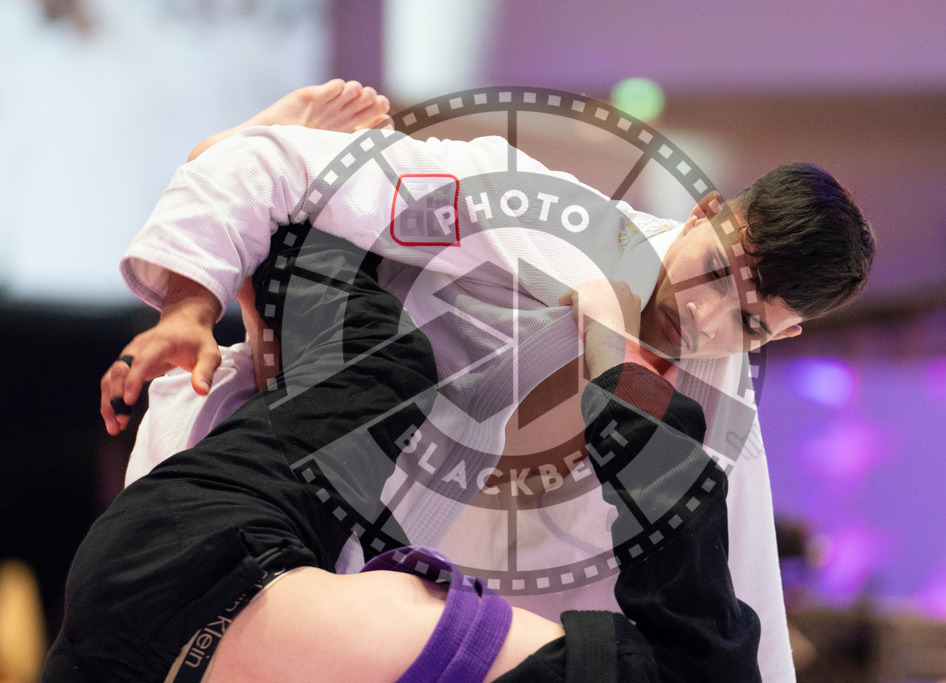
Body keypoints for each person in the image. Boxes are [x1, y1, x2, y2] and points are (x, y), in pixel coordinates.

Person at [95, 81, 874, 680]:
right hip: (309, 455)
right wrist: (190, 307)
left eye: (748, 321)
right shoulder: (539, 216)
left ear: (785, 334)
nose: (702, 315)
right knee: (288, 199)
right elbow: (270, 167)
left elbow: (734, 596)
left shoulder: (721, 397)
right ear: (704, 211)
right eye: (715, 271)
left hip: (432, 600)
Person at [49, 225, 760, 680]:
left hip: (179, 566)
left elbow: (688, 572)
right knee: (378, 364)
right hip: (191, 580)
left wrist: (610, 346)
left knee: (382, 364)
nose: (707, 310)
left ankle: (265, 210)